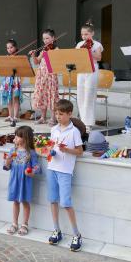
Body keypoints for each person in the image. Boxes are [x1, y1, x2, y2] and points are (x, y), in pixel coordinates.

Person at [46, 99, 84, 252]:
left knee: (66, 204)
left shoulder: (74, 132)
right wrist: (49, 151)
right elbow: (50, 145)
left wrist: (67, 150)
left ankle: (77, 234)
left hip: (65, 171)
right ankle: (57, 230)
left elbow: (80, 151)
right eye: (56, 113)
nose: (57, 116)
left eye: (61, 114)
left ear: (69, 114)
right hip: (52, 168)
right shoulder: (54, 129)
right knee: (53, 201)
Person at [3, 126, 40, 236]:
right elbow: (6, 166)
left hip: (25, 181)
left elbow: (37, 166)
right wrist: (7, 162)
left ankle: (24, 224)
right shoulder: (12, 150)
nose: (15, 138)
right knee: (15, 201)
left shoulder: (31, 153)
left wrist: (31, 171)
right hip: (14, 180)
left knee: (25, 202)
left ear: (25, 138)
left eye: (18, 136)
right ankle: (14, 223)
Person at [75, 22, 103, 130]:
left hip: (92, 69)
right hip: (81, 70)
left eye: (86, 34)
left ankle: (88, 123)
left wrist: (89, 51)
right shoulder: (79, 44)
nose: (84, 36)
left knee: (89, 96)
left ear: (92, 33)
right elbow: (76, 56)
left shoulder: (97, 44)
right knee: (81, 95)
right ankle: (82, 121)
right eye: (82, 34)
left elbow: (99, 57)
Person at [30, 29, 60, 126]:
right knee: (42, 95)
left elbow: (55, 63)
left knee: (51, 96)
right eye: (44, 39)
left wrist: (48, 54)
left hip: (51, 75)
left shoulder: (56, 50)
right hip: (41, 75)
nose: (45, 41)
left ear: (53, 38)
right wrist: (34, 55)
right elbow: (36, 62)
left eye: (47, 38)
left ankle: (53, 118)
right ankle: (43, 117)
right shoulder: (44, 49)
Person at [0, 39, 23, 123]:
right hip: (7, 79)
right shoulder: (7, 57)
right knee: (9, 98)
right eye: (8, 48)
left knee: (15, 98)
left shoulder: (18, 57)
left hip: (15, 79)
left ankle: (16, 116)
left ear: (15, 47)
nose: (9, 49)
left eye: (11, 47)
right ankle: (10, 115)